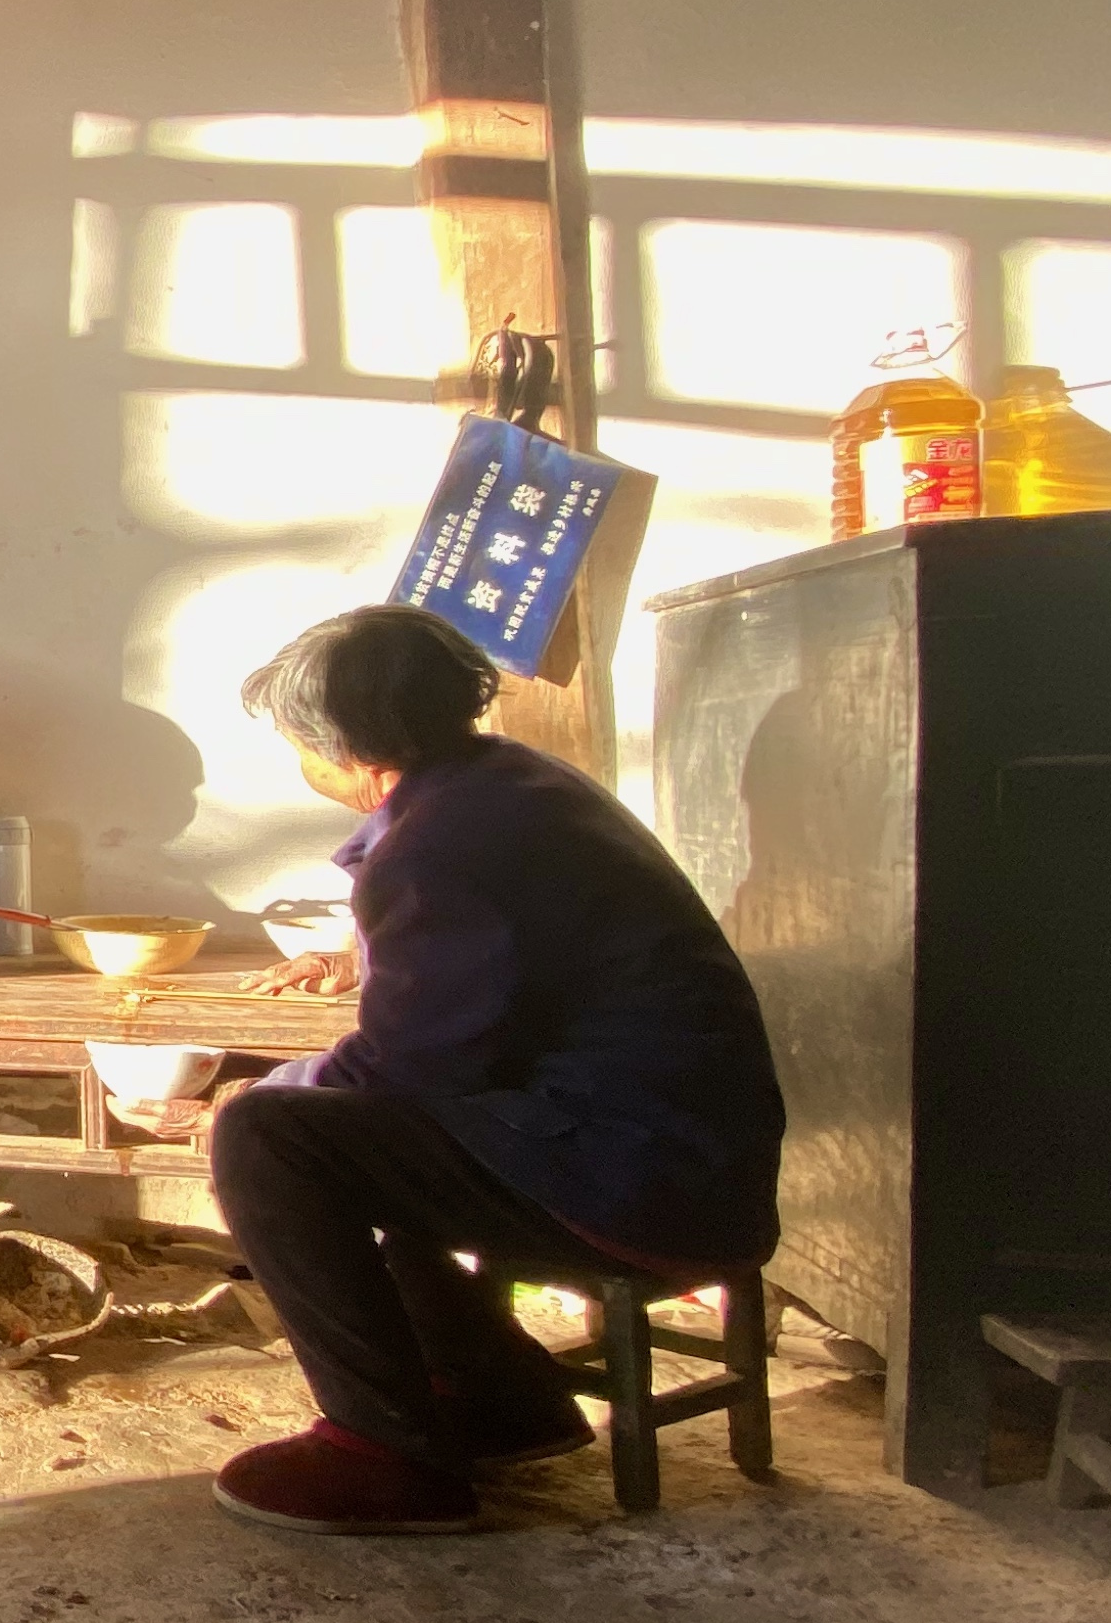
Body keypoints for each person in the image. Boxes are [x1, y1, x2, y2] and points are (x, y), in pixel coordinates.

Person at [138, 605, 784, 1535]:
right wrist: (364, 961)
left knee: (271, 1141)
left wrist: (248, 1096)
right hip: (689, 1162)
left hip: (632, 1182)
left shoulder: (436, 846)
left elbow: (406, 1068)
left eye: (297, 743)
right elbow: (518, 966)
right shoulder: (520, 787)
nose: (301, 761)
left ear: (354, 752)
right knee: (385, 1144)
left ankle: (385, 1452)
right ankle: (501, 1400)